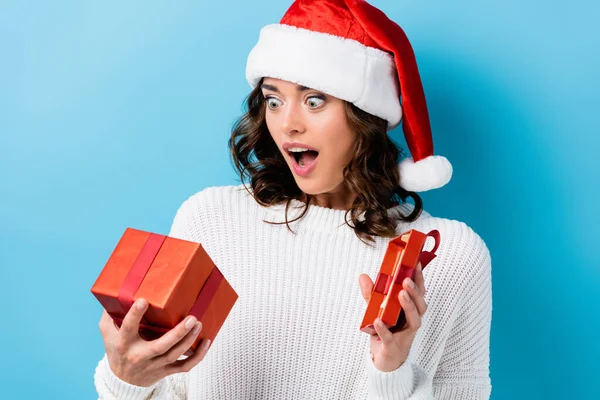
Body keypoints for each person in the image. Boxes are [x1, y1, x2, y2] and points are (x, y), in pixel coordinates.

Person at [94, 0, 492, 399]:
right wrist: (127, 380)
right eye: (273, 100)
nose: (288, 124)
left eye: (314, 100)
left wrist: (390, 372)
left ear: (366, 115)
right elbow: (170, 388)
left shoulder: (449, 255)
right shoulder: (210, 219)